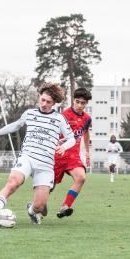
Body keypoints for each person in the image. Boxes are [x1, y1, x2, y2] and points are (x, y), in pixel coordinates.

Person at [0, 83, 75, 225]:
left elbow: (72, 139)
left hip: (45, 164)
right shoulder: (30, 114)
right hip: (27, 157)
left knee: (40, 206)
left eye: (48, 102)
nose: (44, 104)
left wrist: (64, 147)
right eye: (42, 100)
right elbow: (15, 125)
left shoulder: (59, 119)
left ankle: (32, 211)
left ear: (54, 103)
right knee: (14, 182)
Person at [52, 87, 92, 218]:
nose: (80, 105)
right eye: (77, 101)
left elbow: (86, 133)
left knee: (81, 177)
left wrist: (87, 151)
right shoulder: (63, 115)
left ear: (86, 103)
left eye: (83, 103)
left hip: (73, 157)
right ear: (73, 100)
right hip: (58, 155)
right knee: (49, 187)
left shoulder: (87, 118)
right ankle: (35, 206)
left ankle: (65, 206)